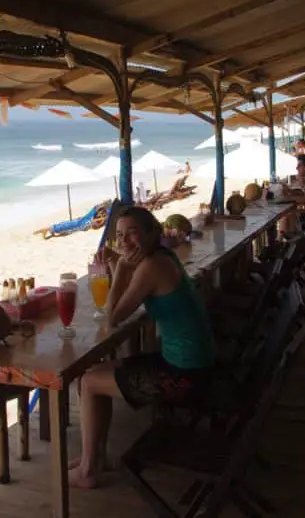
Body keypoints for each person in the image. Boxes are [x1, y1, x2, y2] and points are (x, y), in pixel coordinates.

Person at [70, 206, 215, 489]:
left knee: (88, 382)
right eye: (119, 235)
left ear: (153, 233)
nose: (124, 241)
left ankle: (87, 470)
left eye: (132, 233)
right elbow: (128, 294)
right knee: (97, 373)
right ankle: (96, 457)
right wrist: (119, 265)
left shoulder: (151, 267)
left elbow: (113, 317)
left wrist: (121, 267)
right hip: (195, 363)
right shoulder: (163, 255)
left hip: (185, 377)